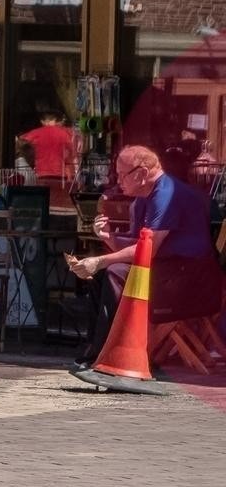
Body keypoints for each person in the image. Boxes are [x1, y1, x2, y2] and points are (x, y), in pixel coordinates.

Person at [69, 144, 218, 367]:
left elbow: (147, 250)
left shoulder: (166, 194)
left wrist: (100, 260)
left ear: (142, 173)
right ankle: (97, 349)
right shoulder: (141, 198)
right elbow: (137, 246)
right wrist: (107, 237)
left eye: (122, 175)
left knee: (114, 273)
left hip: (191, 280)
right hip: (168, 270)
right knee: (102, 274)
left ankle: (113, 352)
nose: (117, 181)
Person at [18, 108, 74, 207]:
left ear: (42, 121)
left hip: (42, 174)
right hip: (60, 175)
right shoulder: (64, 134)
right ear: (55, 120)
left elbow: (20, 142)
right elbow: (71, 154)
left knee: (43, 203)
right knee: (57, 203)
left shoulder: (36, 133)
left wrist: (30, 159)